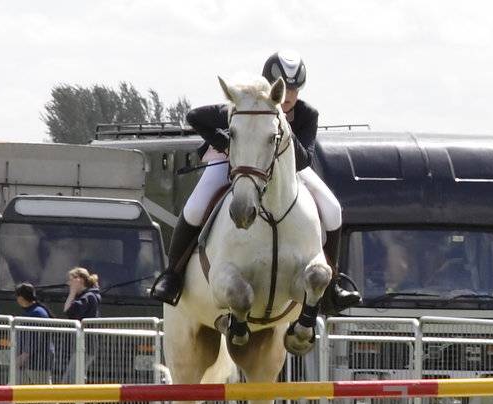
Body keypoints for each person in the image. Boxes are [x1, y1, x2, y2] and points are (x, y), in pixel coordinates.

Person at [149, 52, 360, 311]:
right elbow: (194, 116)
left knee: (333, 209)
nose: (289, 95)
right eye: (285, 86)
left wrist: (280, 127)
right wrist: (225, 142)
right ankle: (172, 275)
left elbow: (304, 160)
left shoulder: (306, 115)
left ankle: (334, 283)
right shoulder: (245, 103)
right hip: (237, 162)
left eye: (294, 88)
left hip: (287, 169)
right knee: (195, 206)